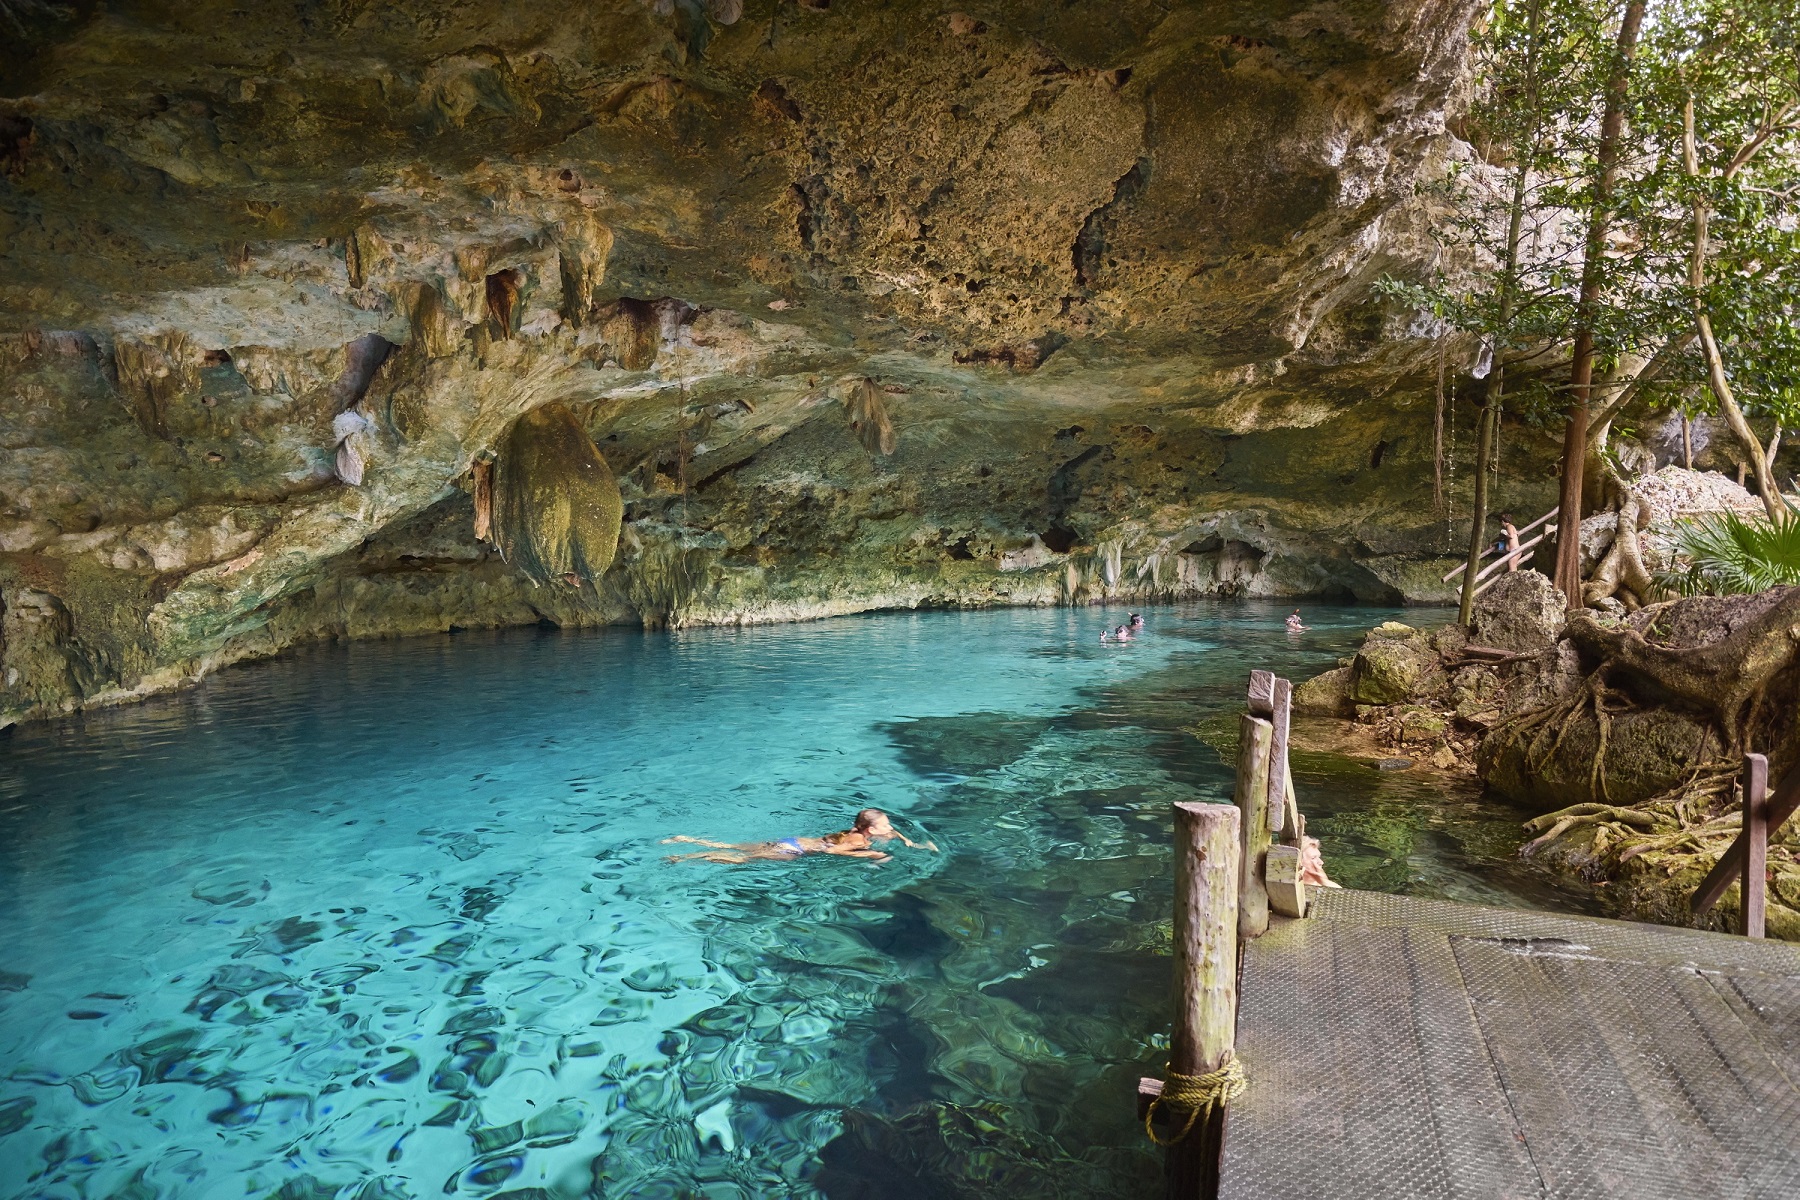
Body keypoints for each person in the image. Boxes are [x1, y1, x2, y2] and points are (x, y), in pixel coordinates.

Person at [663, 807, 937, 865]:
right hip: (792, 851)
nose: (890, 828)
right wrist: (873, 854)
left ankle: (686, 839)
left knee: (734, 845)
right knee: (740, 860)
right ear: (869, 831)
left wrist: (907, 840)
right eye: (885, 825)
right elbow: (831, 852)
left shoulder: (855, 830)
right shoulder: (858, 841)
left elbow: (893, 831)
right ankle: (687, 857)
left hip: (793, 840)